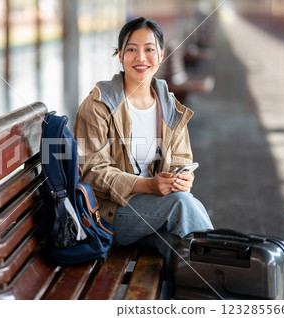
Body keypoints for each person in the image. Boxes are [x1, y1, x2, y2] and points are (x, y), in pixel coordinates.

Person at [73, 17, 213, 297]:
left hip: (156, 210)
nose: (141, 57)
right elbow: (90, 171)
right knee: (182, 206)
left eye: (149, 49)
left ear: (160, 54)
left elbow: (182, 159)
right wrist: (147, 186)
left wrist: (182, 178)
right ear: (120, 55)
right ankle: (229, 268)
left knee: (177, 248)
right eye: (131, 49)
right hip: (110, 213)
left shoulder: (169, 104)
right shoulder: (99, 105)